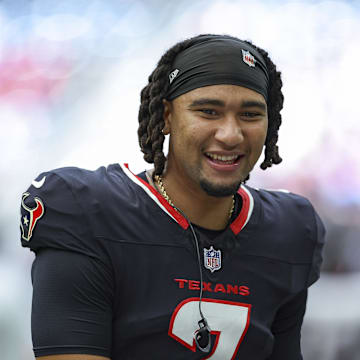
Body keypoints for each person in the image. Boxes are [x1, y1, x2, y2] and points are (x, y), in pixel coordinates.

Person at [20, 34, 325, 360]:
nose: (231, 134)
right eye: (208, 111)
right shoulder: (88, 210)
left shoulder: (291, 229)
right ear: (167, 117)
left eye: (250, 115)